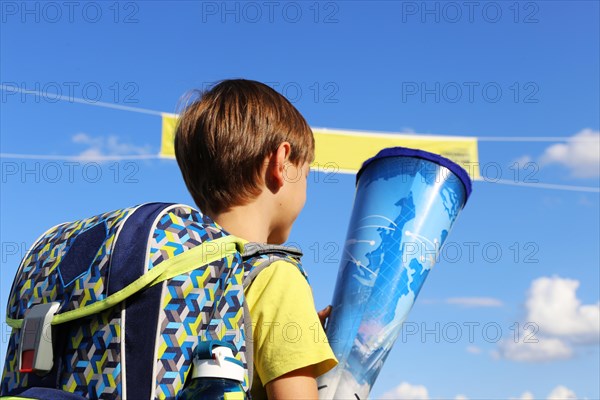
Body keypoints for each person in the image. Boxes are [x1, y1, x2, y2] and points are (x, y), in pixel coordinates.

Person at [174, 79, 338, 399]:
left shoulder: (181, 272)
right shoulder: (277, 277)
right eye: (305, 175)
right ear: (281, 164)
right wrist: (292, 314)